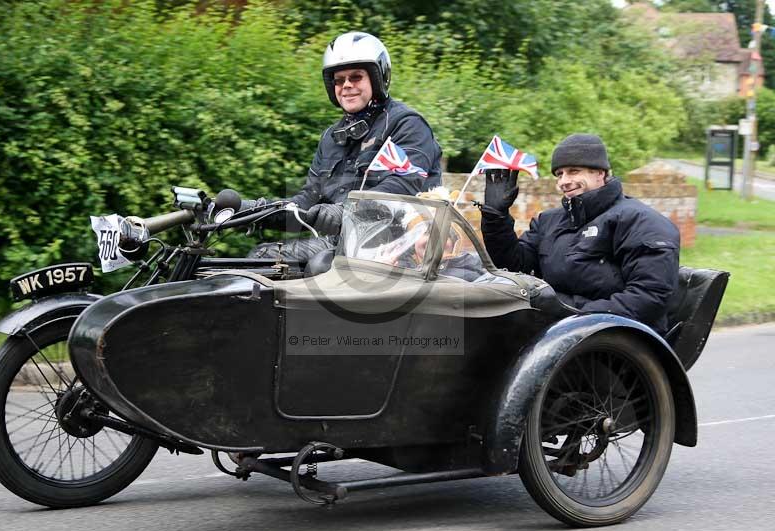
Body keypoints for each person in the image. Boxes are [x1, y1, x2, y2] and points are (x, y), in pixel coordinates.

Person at [245, 31, 443, 261]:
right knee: (260, 260)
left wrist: (345, 209)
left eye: (356, 77)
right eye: (339, 80)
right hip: (342, 244)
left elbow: (403, 185)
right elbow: (308, 198)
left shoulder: (406, 124)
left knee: (299, 264)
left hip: (400, 247)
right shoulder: (331, 137)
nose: (346, 85)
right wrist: (254, 211)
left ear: (378, 78)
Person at [480, 134, 680, 334]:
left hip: (616, 337)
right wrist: (495, 217)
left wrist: (570, 317)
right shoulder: (548, 221)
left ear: (600, 173)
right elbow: (513, 267)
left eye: (574, 171)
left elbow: (649, 297)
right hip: (553, 327)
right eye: (559, 174)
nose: (564, 181)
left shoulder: (641, 222)